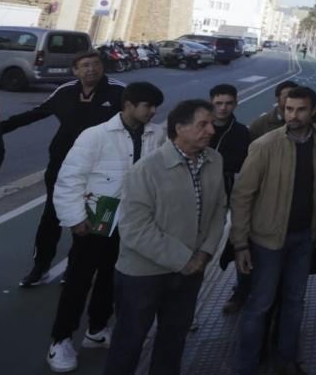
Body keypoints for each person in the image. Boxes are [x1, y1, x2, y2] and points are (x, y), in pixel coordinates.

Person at [46, 82, 165, 373]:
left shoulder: (157, 134)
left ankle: (96, 330)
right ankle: (60, 340)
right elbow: (70, 179)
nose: (153, 112)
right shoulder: (95, 136)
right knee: (78, 282)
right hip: (95, 221)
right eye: (147, 106)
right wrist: (74, 218)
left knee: (111, 281)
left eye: (154, 107)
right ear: (128, 104)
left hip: (131, 224)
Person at [103, 99, 227, 375]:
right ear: (179, 128)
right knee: (129, 342)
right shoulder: (146, 169)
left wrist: (205, 253)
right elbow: (135, 228)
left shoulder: (214, 160)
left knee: (173, 339)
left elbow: (219, 208)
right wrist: (185, 260)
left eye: (211, 124)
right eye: (202, 124)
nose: (211, 130)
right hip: (143, 275)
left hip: (189, 273)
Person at [230, 86, 316, 375]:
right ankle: (246, 365)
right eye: (289, 109)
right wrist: (240, 244)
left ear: (312, 111)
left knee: (294, 303)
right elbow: (242, 195)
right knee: (260, 304)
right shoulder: (265, 145)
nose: (293, 115)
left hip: (304, 238)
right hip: (267, 241)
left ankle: (286, 360)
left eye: (301, 109)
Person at [0, 51, 125, 286]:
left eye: (95, 64)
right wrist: (1, 128)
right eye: (85, 65)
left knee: (90, 218)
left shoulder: (119, 91)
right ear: (75, 71)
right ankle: (41, 267)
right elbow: (35, 114)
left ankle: (76, 267)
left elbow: (135, 122)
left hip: (100, 169)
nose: (91, 69)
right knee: (51, 215)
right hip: (62, 165)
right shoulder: (65, 91)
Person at [208, 84, 254, 315]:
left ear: (235, 104)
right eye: (218, 103)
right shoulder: (199, 125)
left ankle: (241, 292)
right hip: (199, 196)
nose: (223, 108)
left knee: (240, 241)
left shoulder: (241, 132)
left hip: (230, 195)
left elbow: (243, 166)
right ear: (211, 102)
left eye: (228, 103)